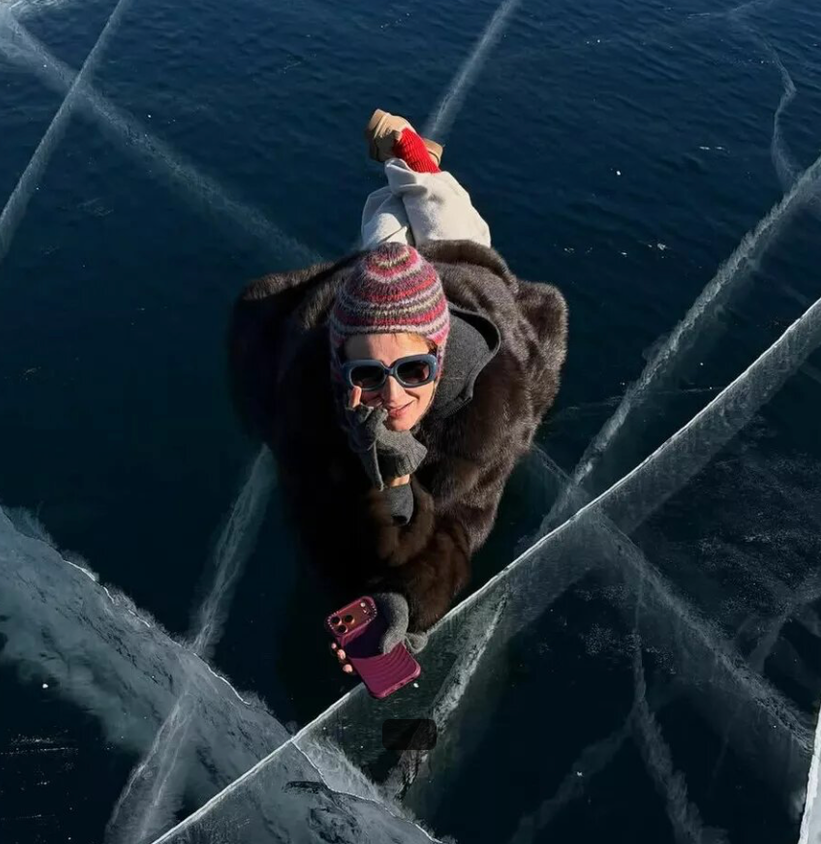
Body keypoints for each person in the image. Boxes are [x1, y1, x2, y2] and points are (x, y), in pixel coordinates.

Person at [227, 110, 568, 676]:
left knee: (446, 215)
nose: (392, 395)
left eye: (413, 371)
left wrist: (412, 600)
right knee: (383, 226)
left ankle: (408, 151)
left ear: (440, 357)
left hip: (463, 280)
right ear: (340, 367)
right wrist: (379, 495)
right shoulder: (311, 398)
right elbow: (315, 516)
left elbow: (461, 525)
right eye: (367, 374)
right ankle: (402, 164)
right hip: (387, 304)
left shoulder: (489, 407)